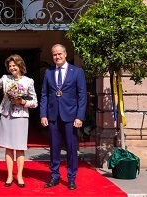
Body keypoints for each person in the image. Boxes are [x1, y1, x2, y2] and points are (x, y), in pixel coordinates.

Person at [0, 54, 38, 188]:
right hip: (6, 115)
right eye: (10, 66)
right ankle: (9, 175)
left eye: (14, 65)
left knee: (19, 147)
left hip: (21, 116)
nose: (12, 68)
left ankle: (19, 175)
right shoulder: (5, 79)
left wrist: (23, 101)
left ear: (20, 66)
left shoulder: (28, 81)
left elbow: (35, 102)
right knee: (8, 146)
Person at [40, 44, 87, 190]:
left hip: (71, 116)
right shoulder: (48, 72)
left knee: (71, 148)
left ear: (65, 54)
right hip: (53, 116)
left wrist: (80, 117)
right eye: (54, 54)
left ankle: (71, 177)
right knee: (54, 147)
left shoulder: (77, 72)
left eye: (60, 54)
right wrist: (43, 114)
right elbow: (44, 95)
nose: (57, 57)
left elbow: (82, 96)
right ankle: (54, 175)